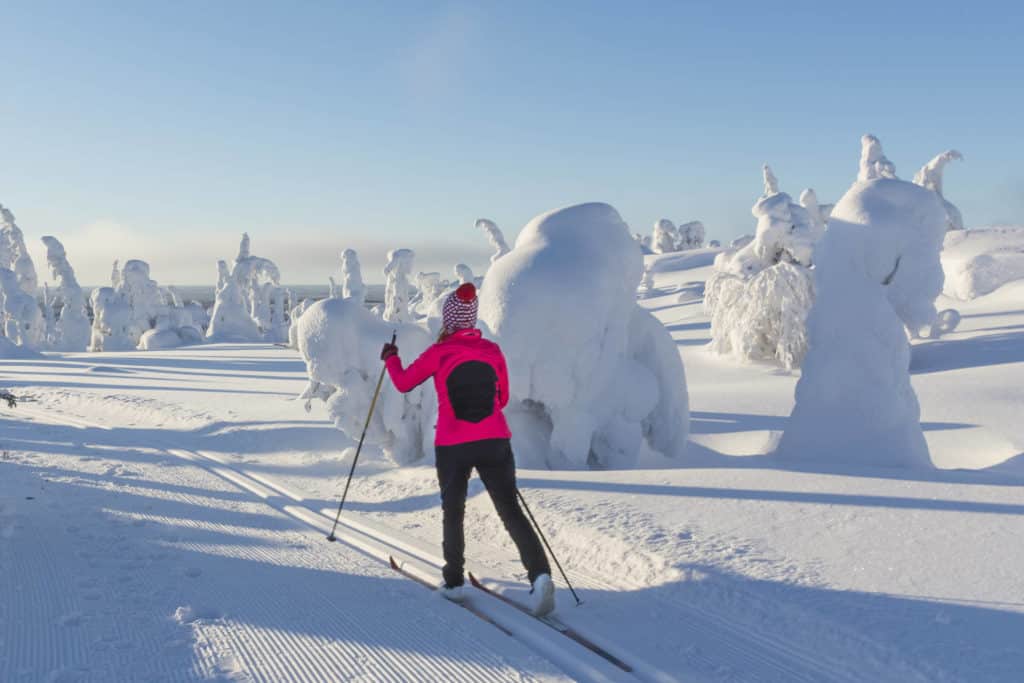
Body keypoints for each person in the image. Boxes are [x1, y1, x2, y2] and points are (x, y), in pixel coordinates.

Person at [381, 282, 555, 616]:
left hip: (452, 443)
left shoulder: (439, 353)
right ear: (472, 321)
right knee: (510, 510)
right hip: (495, 441)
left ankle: (454, 582)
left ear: (448, 320)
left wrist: (391, 359)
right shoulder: (492, 351)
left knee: (454, 511)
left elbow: (403, 383)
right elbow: (502, 399)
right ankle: (540, 576)